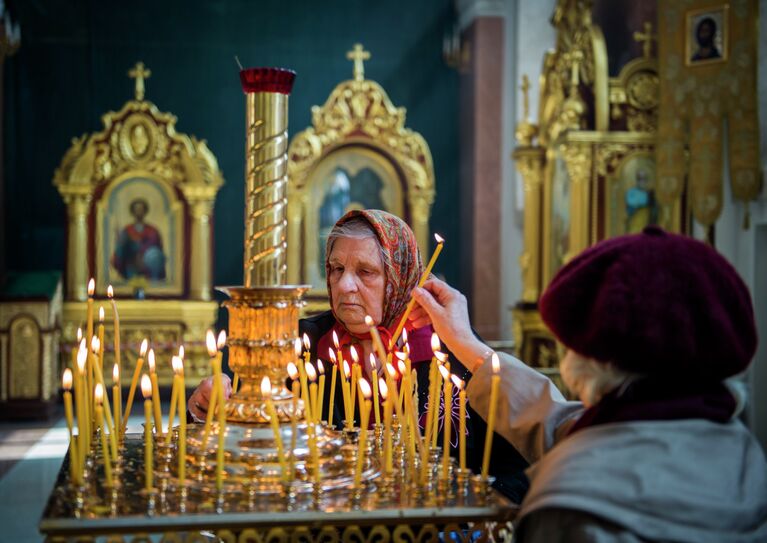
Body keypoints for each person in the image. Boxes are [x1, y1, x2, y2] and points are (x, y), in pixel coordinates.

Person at [410, 226, 767, 542]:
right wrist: (467, 345)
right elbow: (562, 424)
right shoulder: (741, 452)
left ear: (586, 359)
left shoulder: (576, 500)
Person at [189, 209, 530, 501]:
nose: (343, 285)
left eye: (365, 272)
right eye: (336, 270)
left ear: (399, 277)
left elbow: (518, 467)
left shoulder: (455, 349)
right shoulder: (302, 343)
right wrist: (213, 401)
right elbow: (239, 427)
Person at [111, 198, 166, 280]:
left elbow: (157, 251)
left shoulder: (153, 230)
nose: (139, 211)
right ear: (132, 211)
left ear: (145, 211)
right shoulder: (127, 230)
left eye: (141, 209)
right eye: (136, 209)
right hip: (131, 268)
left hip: (149, 270)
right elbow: (121, 251)